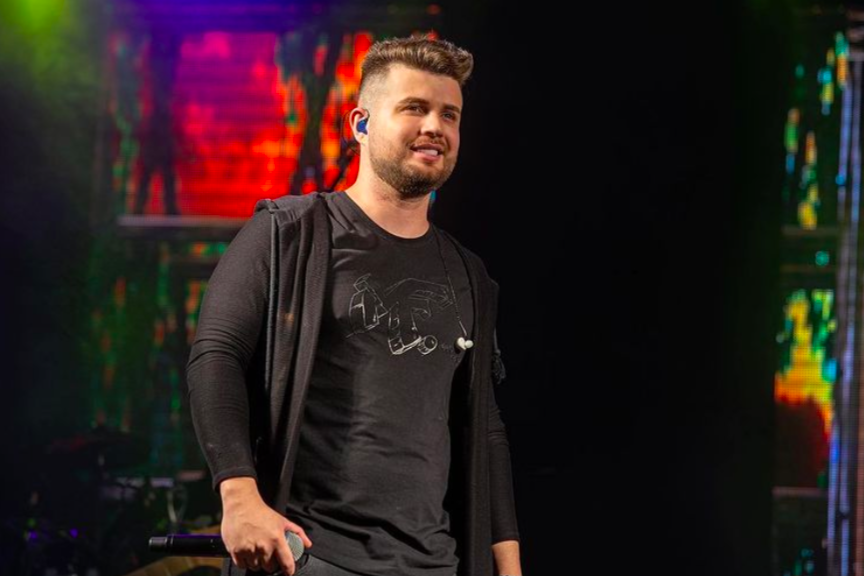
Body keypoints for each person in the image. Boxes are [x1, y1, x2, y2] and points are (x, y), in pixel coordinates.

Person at [186, 36, 522, 576]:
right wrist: (240, 497)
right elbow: (217, 356)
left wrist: (508, 563)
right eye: (414, 108)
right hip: (308, 556)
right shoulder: (287, 233)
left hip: (435, 563)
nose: (435, 126)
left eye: (449, 114)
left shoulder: (469, 275)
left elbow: (485, 427)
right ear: (360, 124)